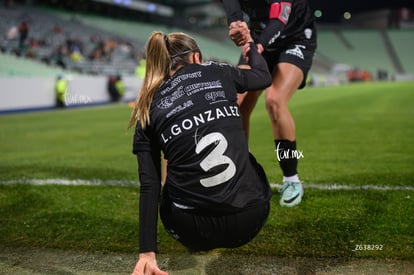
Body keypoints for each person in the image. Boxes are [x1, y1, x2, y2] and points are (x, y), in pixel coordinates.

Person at [128, 31, 272, 275]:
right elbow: (262, 77)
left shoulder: (147, 107)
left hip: (191, 231)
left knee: (170, 157)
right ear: (196, 57)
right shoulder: (217, 71)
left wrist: (147, 253)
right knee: (244, 152)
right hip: (249, 221)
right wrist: (251, 48)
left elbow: (149, 185)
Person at [222, 0, 317, 207]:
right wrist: (235, 23)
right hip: (257, 37)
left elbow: (279, 19)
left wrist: (258, 45)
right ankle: (241, 176)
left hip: (295, 38)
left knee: (274, 100)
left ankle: (291, 179)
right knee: (237, 104)